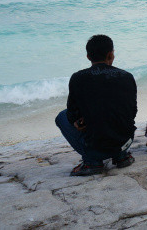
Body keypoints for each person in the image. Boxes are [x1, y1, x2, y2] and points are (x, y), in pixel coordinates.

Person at [54, 35, 137, 176]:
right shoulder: (127, 76)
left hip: (96, 144)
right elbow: (132, 111)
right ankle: (121, 155)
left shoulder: (78, 78)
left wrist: (78, 121)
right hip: (126, 140)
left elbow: (71, 113)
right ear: (110, 54)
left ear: (88, 56)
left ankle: (92, 161)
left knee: (62, 116)